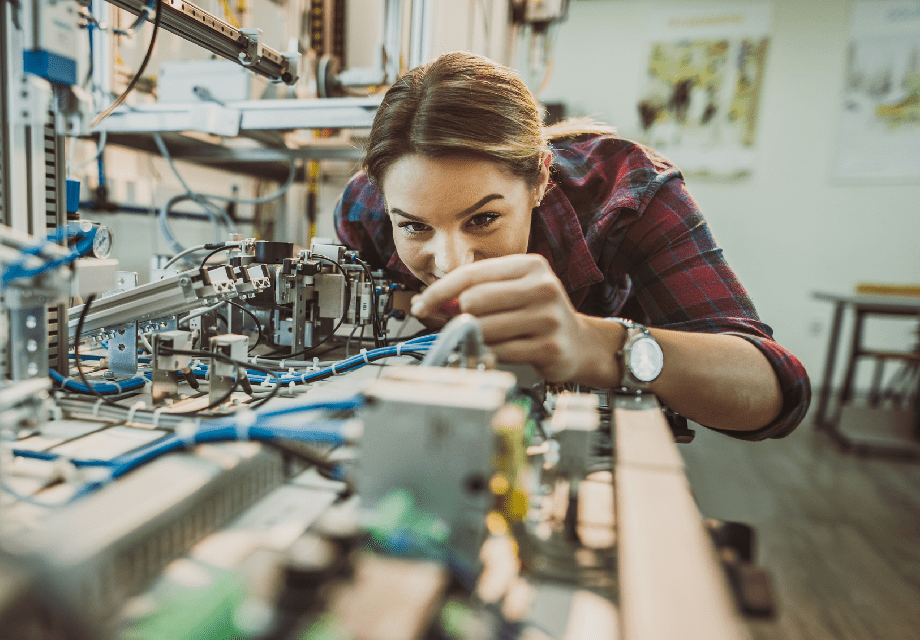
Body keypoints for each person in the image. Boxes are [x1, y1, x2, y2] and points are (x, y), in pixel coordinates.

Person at [334, 52, 809, 440]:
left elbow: (776, 392)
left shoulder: (629, 194)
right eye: (416, 228)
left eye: (483, 219)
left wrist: (593, 345)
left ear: (540, 178)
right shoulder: (364, 210)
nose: (452, 263)